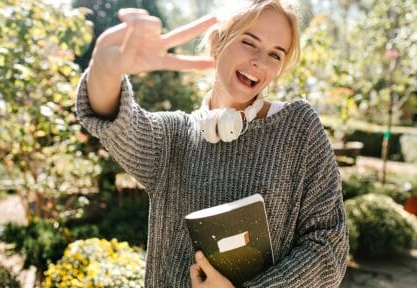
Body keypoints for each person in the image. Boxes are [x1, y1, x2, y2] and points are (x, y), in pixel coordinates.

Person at [76, 0, 349, 287]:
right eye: (249, 42)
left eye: (275, 54)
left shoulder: (299, 129)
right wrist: (106, 68)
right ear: (218, 42)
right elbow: (115, 120)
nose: (259, 61)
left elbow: (329, 247)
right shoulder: (173, 138)